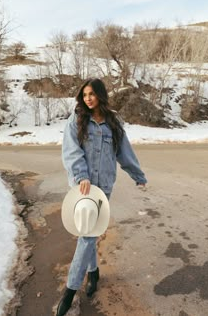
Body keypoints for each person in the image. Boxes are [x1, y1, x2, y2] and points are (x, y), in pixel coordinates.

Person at [56, 78, 147, 316]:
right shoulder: (76, 120)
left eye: (92, 94)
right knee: (87, 235)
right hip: (83, 188)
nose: (87, 98)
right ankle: (74, 287)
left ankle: (82, 282)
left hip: (104, 187)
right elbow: (71, 151)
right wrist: (81, 175)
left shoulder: (113, 123)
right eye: (84, 94)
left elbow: (124, 152)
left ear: (100, 96)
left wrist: (137, 175)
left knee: (88, 234)